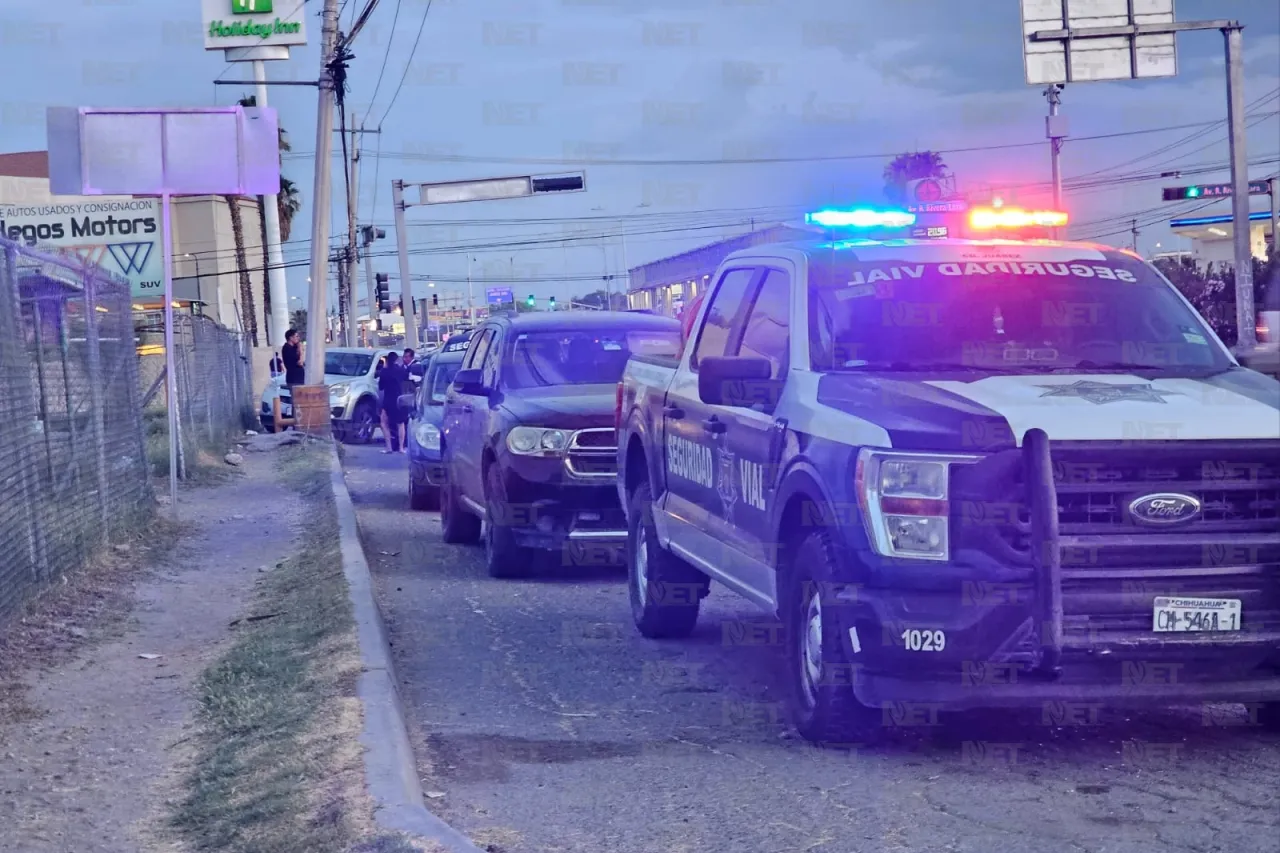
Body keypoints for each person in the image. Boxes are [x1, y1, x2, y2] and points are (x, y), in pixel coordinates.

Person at [378, 351, 408, 453]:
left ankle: (389, 447)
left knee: (384, 423)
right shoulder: (401, 371)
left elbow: (381, 387)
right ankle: (401, 448)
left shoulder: (384, 371)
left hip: (388, 399)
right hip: (399, 399)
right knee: (401, 424)